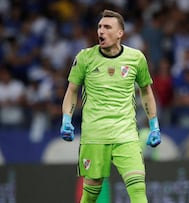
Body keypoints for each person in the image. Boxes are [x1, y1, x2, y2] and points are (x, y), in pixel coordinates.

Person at [60, 9, 161, 203]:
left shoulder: (136, 58)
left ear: (119, 33)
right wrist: (66, 119)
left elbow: (146, 92)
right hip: (94, 134)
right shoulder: (85, 58)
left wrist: (154, 125)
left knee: (138, 187)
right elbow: (72, 90)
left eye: (107, 27)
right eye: (99, 27)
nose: (101, 31)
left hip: (126, 133)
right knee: (90, 195)